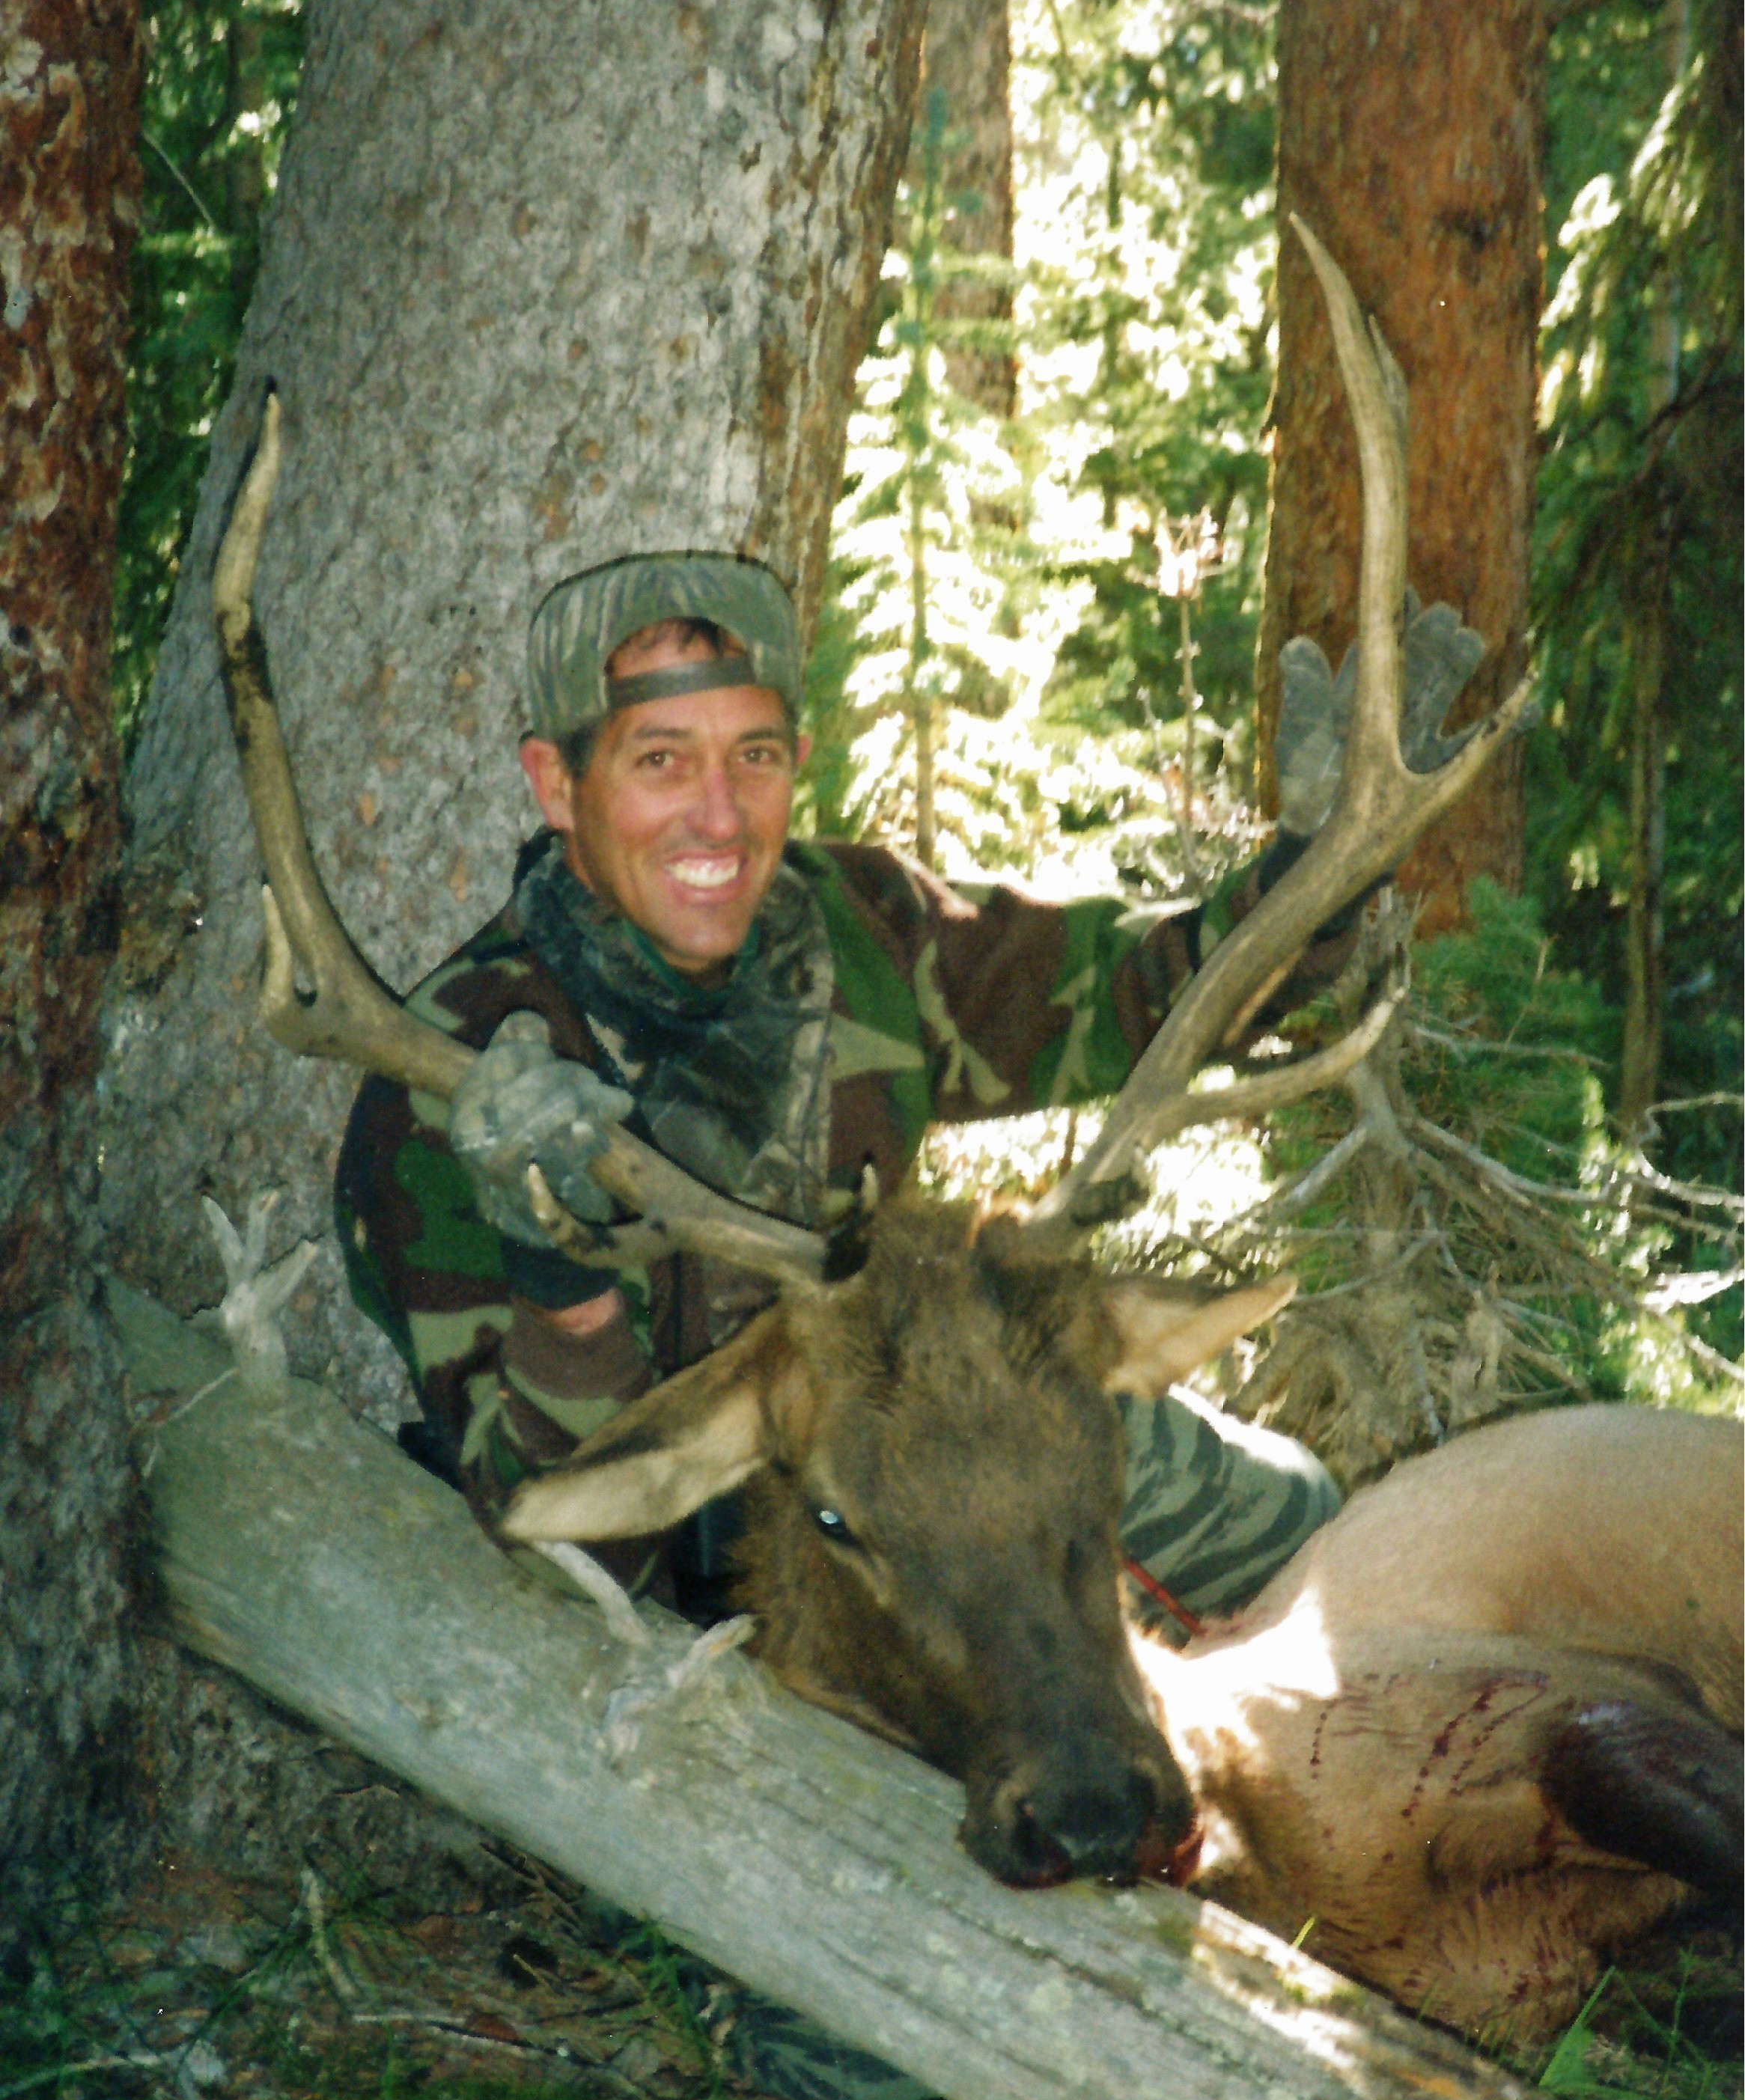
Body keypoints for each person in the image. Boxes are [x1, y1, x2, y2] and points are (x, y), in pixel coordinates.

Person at [336, 551, 1369, 1632]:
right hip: (715, 1588)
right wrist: (559, 1274)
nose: (721, 817)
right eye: (660, 761)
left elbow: (1127, 992)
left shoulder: (856, 926)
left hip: (924, 1444)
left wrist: (1311, 882)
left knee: (1301, 1520)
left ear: (800, 759)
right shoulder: (448, 1092)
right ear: (556, 784)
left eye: (756, 755)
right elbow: (575, 1563)